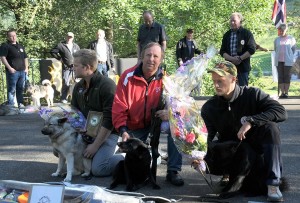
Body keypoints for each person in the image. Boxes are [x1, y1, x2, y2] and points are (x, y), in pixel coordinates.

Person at [201, 61, 287, 201]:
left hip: (255, 152)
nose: (216, 85)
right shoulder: (209, 107)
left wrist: (251, 121)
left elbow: (281, 112)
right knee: (207, 149)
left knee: (271, 128)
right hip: (232, 151)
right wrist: (195, 153)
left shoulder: (253, 94)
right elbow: (206, 137)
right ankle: (227, 175)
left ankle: (273, 184)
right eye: (214, 81)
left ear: (233, 79)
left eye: (220, 81)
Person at [112, 42, 184, 186]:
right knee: (108, 165)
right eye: (148, 55)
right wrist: (123, 130)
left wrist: (169, 112)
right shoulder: (127, 76)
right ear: (141, 56)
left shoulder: (166, 79)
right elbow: (118, 107)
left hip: (154, 126)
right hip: (133, 129)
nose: (151, 59)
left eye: (156, 56)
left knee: (177, 127)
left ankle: (173, 171)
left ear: (161, 59)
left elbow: (180, 106)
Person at [71, 49, 124, 177]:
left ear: (87, 67)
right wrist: (78, 126)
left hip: (108, 133)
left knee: (99, 169)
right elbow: (74, 111)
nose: (73, 68)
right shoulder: (78, 87)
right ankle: (102, 153)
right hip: (87, 132)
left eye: (76, 65)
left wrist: (95, 145)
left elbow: (109, 119)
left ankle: (130, 155)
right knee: (60, 150)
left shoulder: (107, 85)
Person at [220, 12, 256, 86]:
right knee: (230, 90)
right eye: (231, 21)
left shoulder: (246, 33)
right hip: (229, 68)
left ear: (240, 21)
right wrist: (231, 59)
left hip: (243, 67)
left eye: (234, 21)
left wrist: (240, 58)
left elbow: (252, 49)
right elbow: (222, 51)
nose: (232, 23)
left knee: (243, 90)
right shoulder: (227, 35)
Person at [0, 29, 29, 107]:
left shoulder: (20, 46)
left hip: (22, 71)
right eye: (11, 36)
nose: (13, 37)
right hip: (13, 72)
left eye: (14, 35)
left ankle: (21, 104)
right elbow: (2, 58)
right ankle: (11, 105)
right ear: (8, 37)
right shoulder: (5, 46)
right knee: (12, 89)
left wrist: (26, 68)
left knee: (20, 89)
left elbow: (25, 58)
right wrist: (10, 68)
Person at [50, 32, 80, 103]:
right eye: (68, 37)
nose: (69, 38)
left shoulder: (76, 46)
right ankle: (63, 98)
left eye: (71, 37)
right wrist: (59, 58)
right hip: (67, 67)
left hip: (76, 67)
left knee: (77, 83)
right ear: (66, 37)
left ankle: (77, 98)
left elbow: (80, 55)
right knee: (66, 82)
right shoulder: (61, 45)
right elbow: (52, 51)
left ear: (73, 38)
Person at [274, 23, 296, 98]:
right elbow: (275, 49)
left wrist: (289, 57)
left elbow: (293, 50)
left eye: (283, 29)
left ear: (286, 30)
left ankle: (286, 93)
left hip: (288, 61)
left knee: (287, 76)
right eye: (281, 29)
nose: (282, 31)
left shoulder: (291, 38)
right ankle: (282, 93)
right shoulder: (276, 39)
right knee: (280, 76)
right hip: (279, 61)